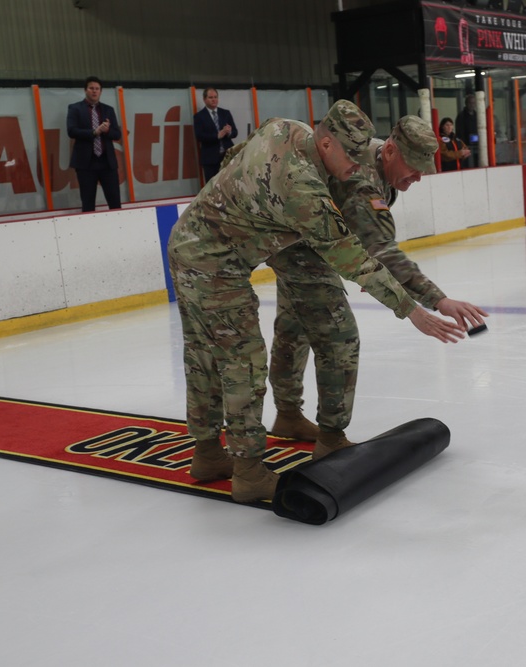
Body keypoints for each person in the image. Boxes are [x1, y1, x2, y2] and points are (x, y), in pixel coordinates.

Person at [166, 101, 464, 503]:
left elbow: (236, 156)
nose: (358, 168)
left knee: (203, 354)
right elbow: (354, 256)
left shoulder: (286, 127)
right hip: (216, 263)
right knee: (244, 362)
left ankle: (206, 454)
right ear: (326, 143)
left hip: (189, 240)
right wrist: (412, 309)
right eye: (352, 159)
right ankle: (249, 472)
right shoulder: (303, 186)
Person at [267, 115, 488, 459]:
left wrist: (376, 269)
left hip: (307, 236)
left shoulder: (380, 163)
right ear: (389, 150)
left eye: (422, 170)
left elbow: (372, 240)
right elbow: (381, 248)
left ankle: (288, 415)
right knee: (339, 334)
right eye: (413, 168)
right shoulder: (362, 182)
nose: (417, 177)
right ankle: (330, 437)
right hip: (300, 245)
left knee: (293, 325)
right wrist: (437, 300)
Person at [67, 76, 122, 212]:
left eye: (97, 89)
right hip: (86, 164)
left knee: (115, 201)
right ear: (85, 90)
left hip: (107, 163)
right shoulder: (75, 108)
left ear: (101, 92)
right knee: (88, 203)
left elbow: (117, 134)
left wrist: (107, 130)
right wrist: (94, 132)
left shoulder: (108, 109)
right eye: (91, 88)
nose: (94, 91)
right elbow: (71, 131)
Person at [193, 87, 239, 183]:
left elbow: (235, 132)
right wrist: (217, 136)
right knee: (213, 186)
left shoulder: (225, 113)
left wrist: (229, 132)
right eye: (210, 97)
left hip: (228, 156)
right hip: (210, 158)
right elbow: (199, 136)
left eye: (215, 97)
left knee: (230, 184)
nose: (214, 99)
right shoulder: (199, 117)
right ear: (204, 99)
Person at [455, 93, 478, 168]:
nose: (472, 105)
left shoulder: (477, 115)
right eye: (470, 103)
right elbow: (460, 133)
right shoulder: (461, 116)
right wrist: (463, 145)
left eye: (473, 103)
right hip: (466, 147)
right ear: (466, 103)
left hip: (478, 147)